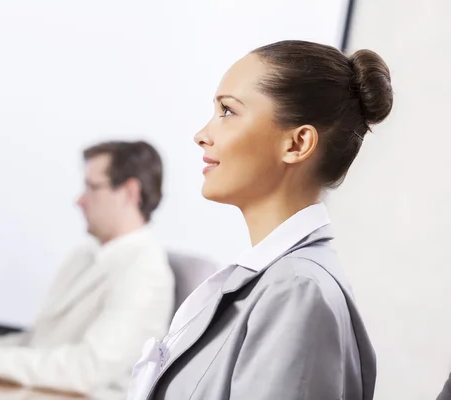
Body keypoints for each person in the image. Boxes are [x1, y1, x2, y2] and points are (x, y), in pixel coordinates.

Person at [127, 40, 394, 400]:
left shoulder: (296, 292)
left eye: (227, 111)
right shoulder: (275, 283)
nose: (202, 135)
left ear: (297, 144)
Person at [0, 140, 175, 400]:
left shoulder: (145, 272)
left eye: (92, 187)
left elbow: (87, 369)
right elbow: (37, 344)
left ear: (130, 192)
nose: (80, 200)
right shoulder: (83, 256)